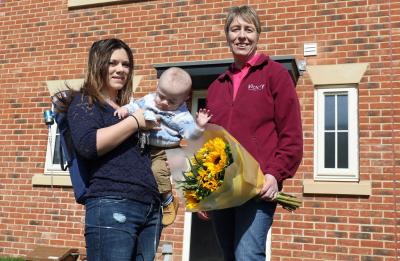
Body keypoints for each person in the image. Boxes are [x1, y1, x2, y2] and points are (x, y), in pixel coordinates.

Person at [203, 5, 303, 261]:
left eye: (248, 29)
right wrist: (204, 191)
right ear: (227, 35)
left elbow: (291, 134)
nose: (242, 36)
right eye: (235, 29)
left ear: (258, 35)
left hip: (259, 187)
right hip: (223, 189)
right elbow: (211, 144)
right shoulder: (216, 87)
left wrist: (274, 174)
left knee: (247, 255)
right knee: (228, 256)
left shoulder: (275, 76)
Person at [63, 38, 162, 261]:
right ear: (98, 64)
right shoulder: (85, 102)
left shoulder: (129, 109)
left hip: (149, 208)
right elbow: (89, 145)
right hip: (112, 203)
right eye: (113, 63)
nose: (121, 70)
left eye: (126, 65)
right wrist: (135, 122)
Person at [114, 67, 212, 226]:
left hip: (166, 150)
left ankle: (168, 201)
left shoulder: (182, 116)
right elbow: (136, 106)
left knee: (158, 171)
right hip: (145, 145)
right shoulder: (150, 100)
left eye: (172, 101)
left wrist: (199, 126)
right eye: (161, 96)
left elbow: (190, 136)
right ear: (157, 88)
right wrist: (125, 109)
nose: (164, 103)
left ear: (185, 99)